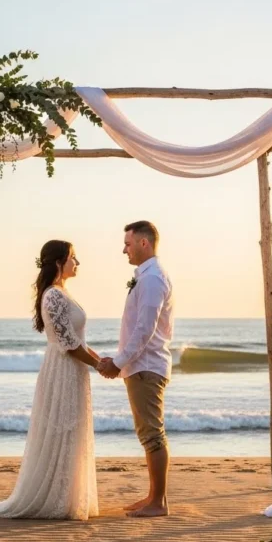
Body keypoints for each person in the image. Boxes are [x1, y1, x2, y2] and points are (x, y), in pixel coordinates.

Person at [0, 240, 100, 521]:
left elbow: (78, 340)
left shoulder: (63, 292)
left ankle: (69, 494)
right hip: (62, 369)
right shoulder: (53, 296)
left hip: (73, 369)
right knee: (63, 426)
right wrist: (99, 364)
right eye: (73, 257)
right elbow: (68, 344)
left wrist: (104, 360)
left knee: (73, 428)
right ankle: (55, 498)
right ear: (60, 261)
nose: (78, 262)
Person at [98, 221, 174, 517]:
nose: (124, 249)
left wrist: (118, 363)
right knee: (148, 433)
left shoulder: (153, 278)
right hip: (139, 366)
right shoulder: (145, 277)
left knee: (152, 434)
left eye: (128, 244)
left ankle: (158, 502)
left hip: (146, 366)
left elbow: (144, 329)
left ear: (145, 243)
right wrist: (120, 361)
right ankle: (154, 497)